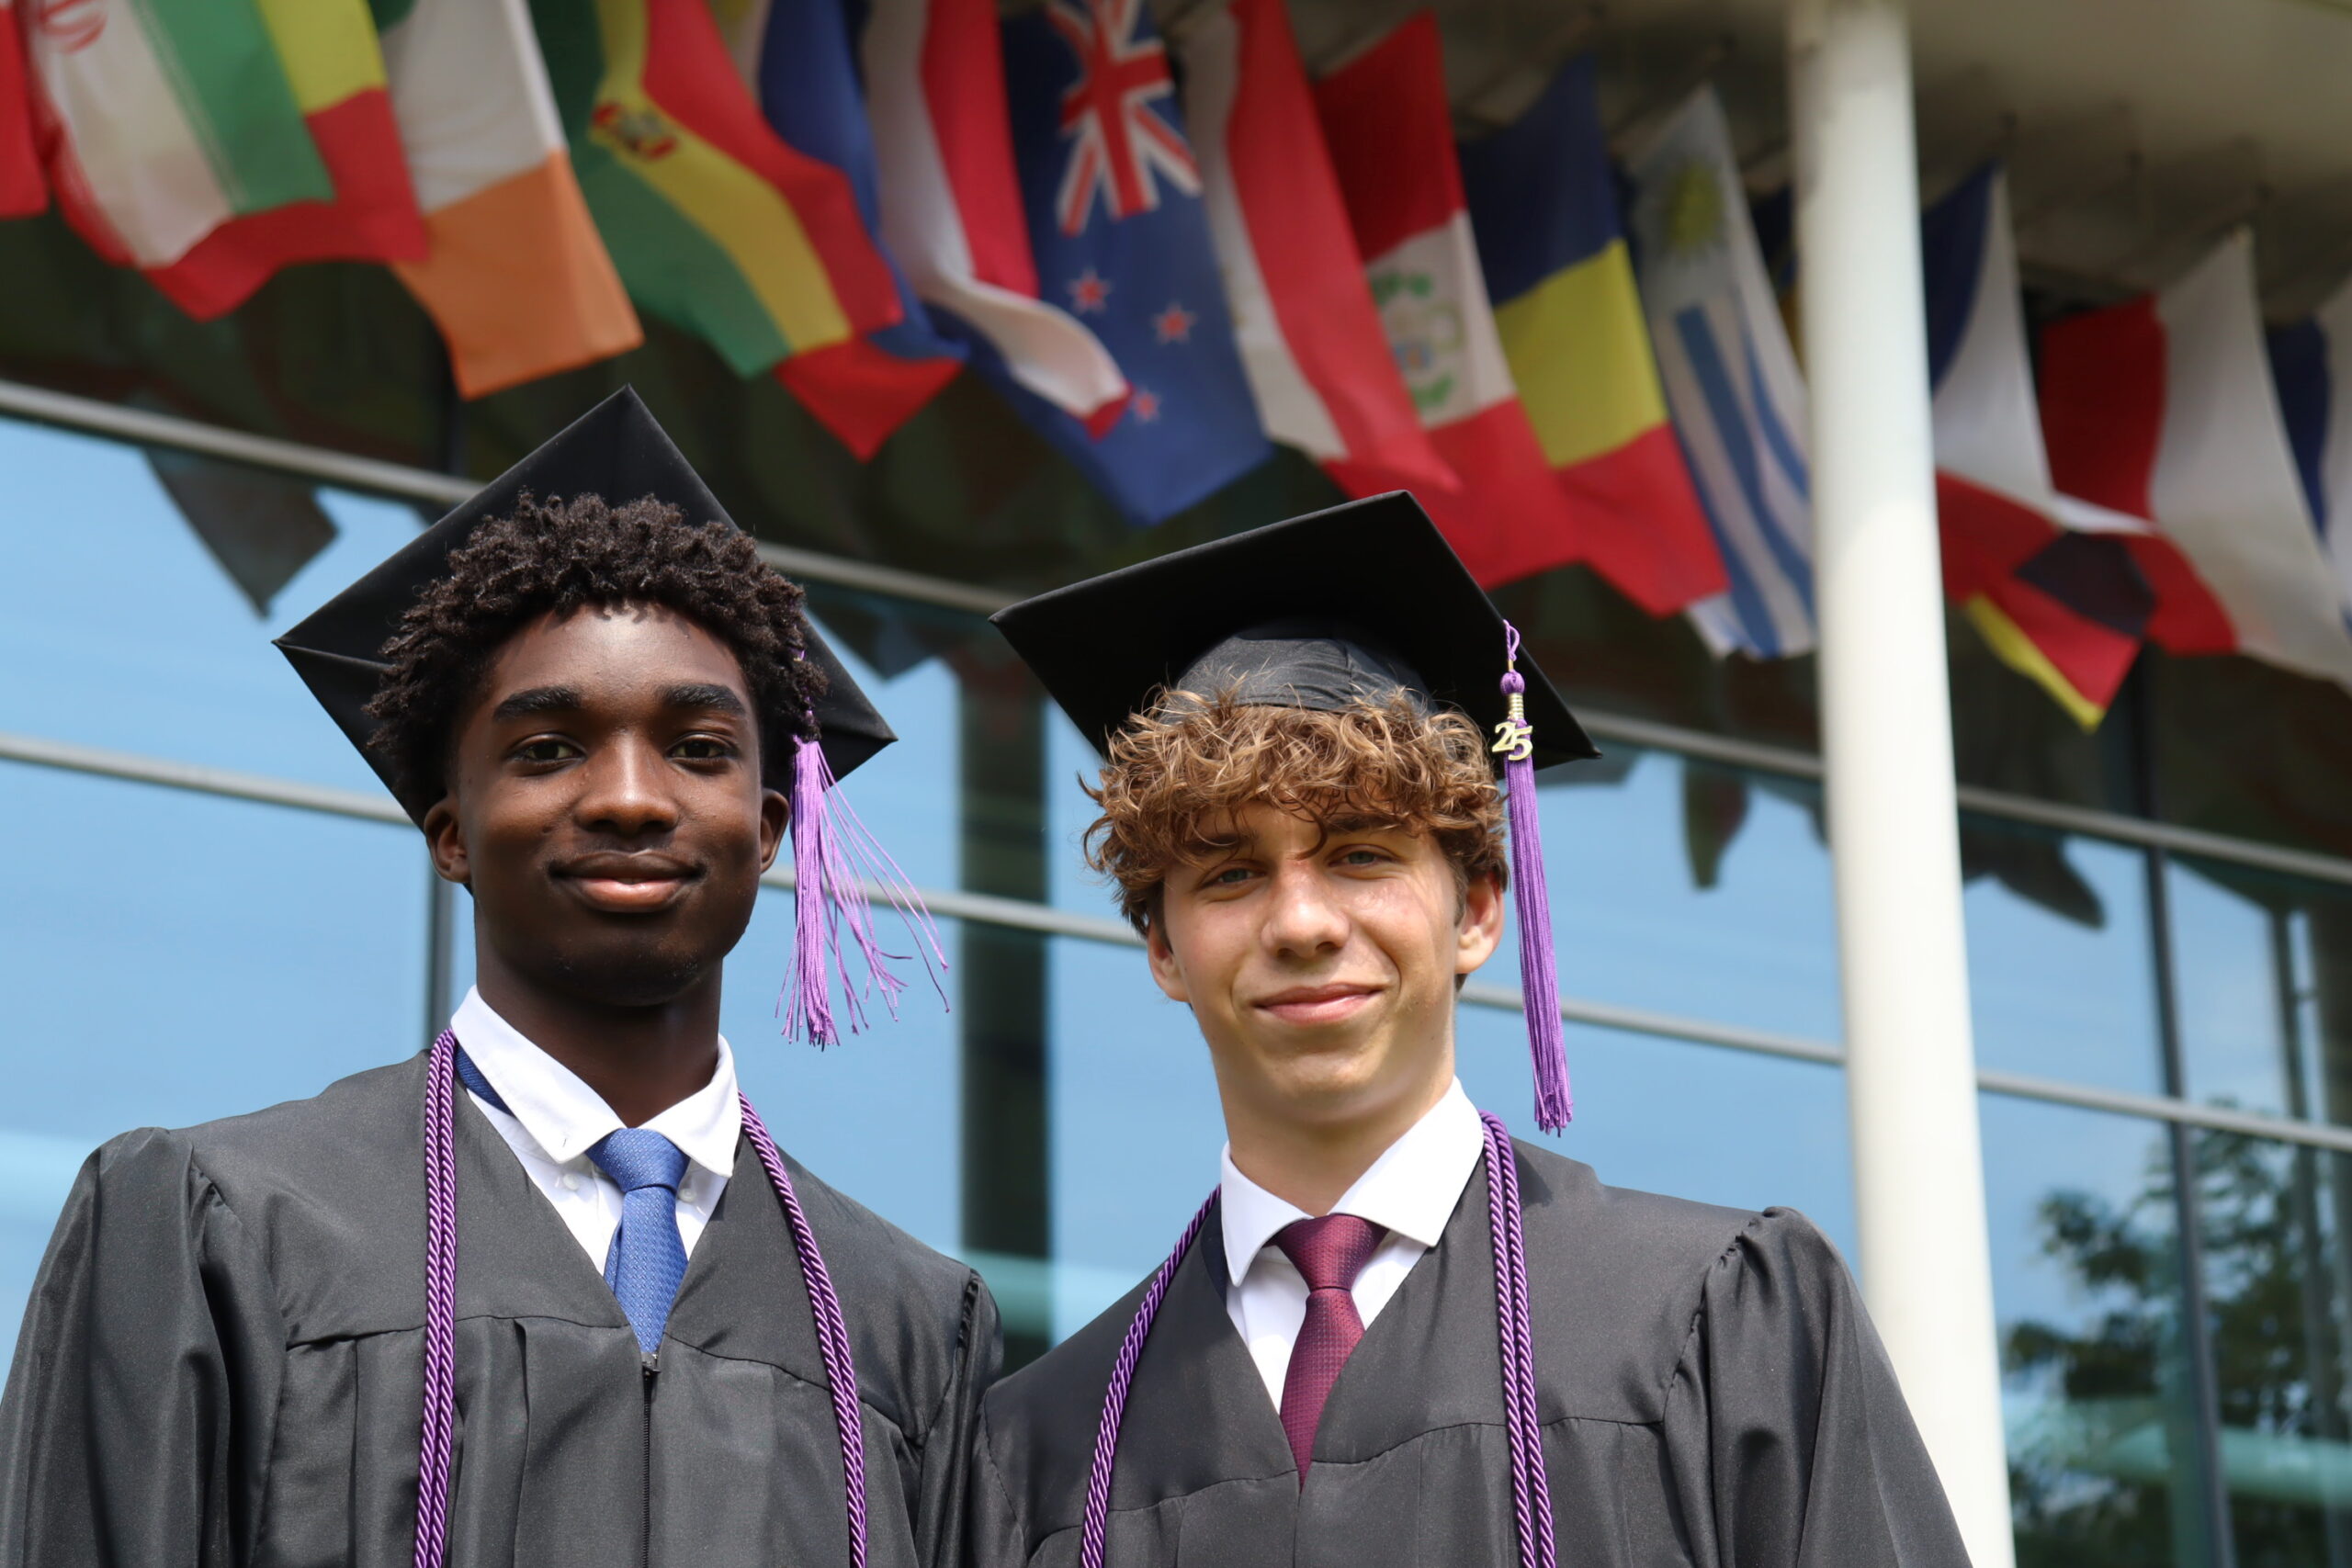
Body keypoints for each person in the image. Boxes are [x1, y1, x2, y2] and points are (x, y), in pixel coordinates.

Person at [0, 389, 998, 1568]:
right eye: (547, 749)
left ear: (770, 828)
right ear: (451, 834)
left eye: (698, 750)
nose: (630, 798)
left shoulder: (906, 1326)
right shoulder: (225, 1224)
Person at [969, 493, 1973, 1568]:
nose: (1301, 923)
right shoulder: (1042, 1446)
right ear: (1164, 950)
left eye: (1360, 854)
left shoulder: (1715, 1315)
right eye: (1229, 873)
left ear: (1479, 911)